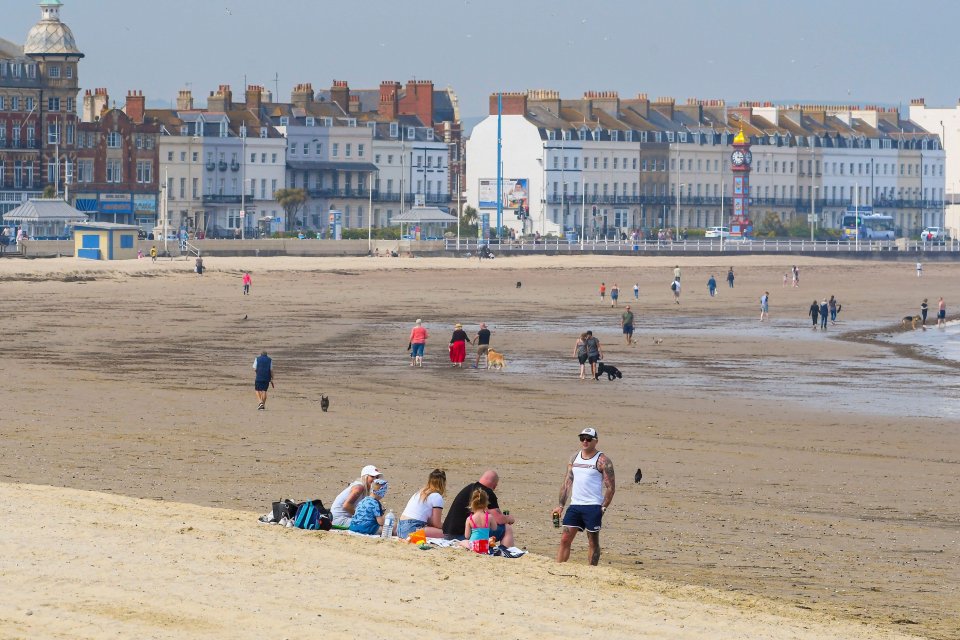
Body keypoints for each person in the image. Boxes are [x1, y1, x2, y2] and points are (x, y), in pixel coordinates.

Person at [553, 427, 615, 566]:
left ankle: (591, 570)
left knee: (593, 541)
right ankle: (558, 567)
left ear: (595, 441)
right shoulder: (574, 458)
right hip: (575, 505)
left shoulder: (602, 460)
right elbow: (567, 483)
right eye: (582, 439)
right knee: (565, 538)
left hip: (593, 505)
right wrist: (561, 505)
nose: (585, 441)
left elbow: (610, 487)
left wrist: (603, 507)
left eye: (588, 439)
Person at [441, 470, 515, 546]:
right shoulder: (487, 493)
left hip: (447, 534)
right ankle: (508, 552)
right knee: (506, 528)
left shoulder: (468, 488)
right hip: (463, 536)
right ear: (495, 486)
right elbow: (499, 519)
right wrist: (509, 518)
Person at [398, 469, 446, 539]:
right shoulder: (436, 496)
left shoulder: (420, 492)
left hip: (400, 528)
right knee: (445, 533)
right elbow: (437, 524)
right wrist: (446, 526)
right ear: (443, 483)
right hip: (411, 529)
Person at [463, 487, 494, 552]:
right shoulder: (489, 517)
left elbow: (467, 535)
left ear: (472, 503)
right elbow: (494, 528)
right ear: (486, 503)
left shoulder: (470, 519)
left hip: (473, 546)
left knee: (463, 541)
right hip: (485, 546)